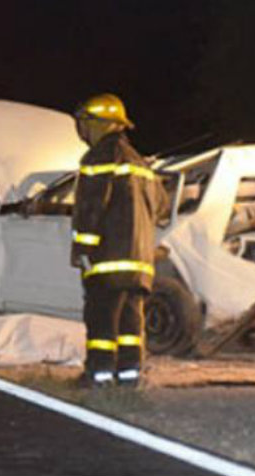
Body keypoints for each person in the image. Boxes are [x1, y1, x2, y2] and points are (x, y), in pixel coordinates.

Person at [70, 93, 166, 387]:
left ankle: (97, 375)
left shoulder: (99, 158)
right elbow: (161, 206)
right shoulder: (141, 163)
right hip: (139, 264)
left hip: (107, 261)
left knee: (101, 319)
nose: (82, 131)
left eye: (84, 124)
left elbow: (91, 207)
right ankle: (129, 375)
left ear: (98, 124)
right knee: (129, 323)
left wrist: (83, 248)